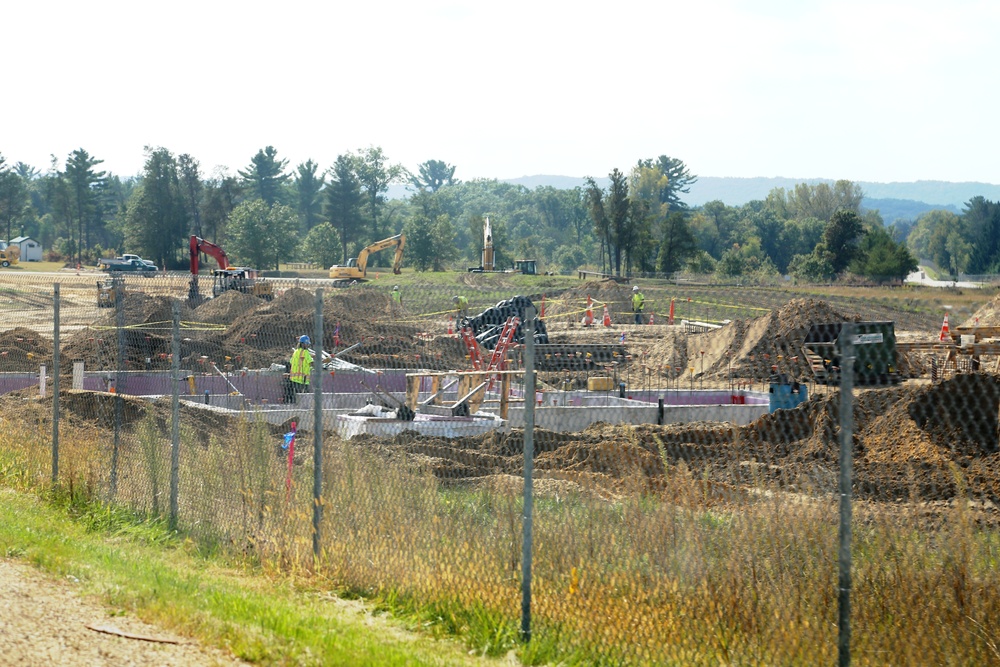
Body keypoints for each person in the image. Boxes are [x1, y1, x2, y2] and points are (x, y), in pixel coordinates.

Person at [283, 334, 314, 403]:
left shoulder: (296, 352)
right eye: (307, 344)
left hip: (294, 379)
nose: (308, 346)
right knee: (304, 400)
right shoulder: (305, 352)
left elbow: (292, 362)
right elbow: (311, 363)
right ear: (303, 344)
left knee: (296, 399)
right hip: (302, 380)